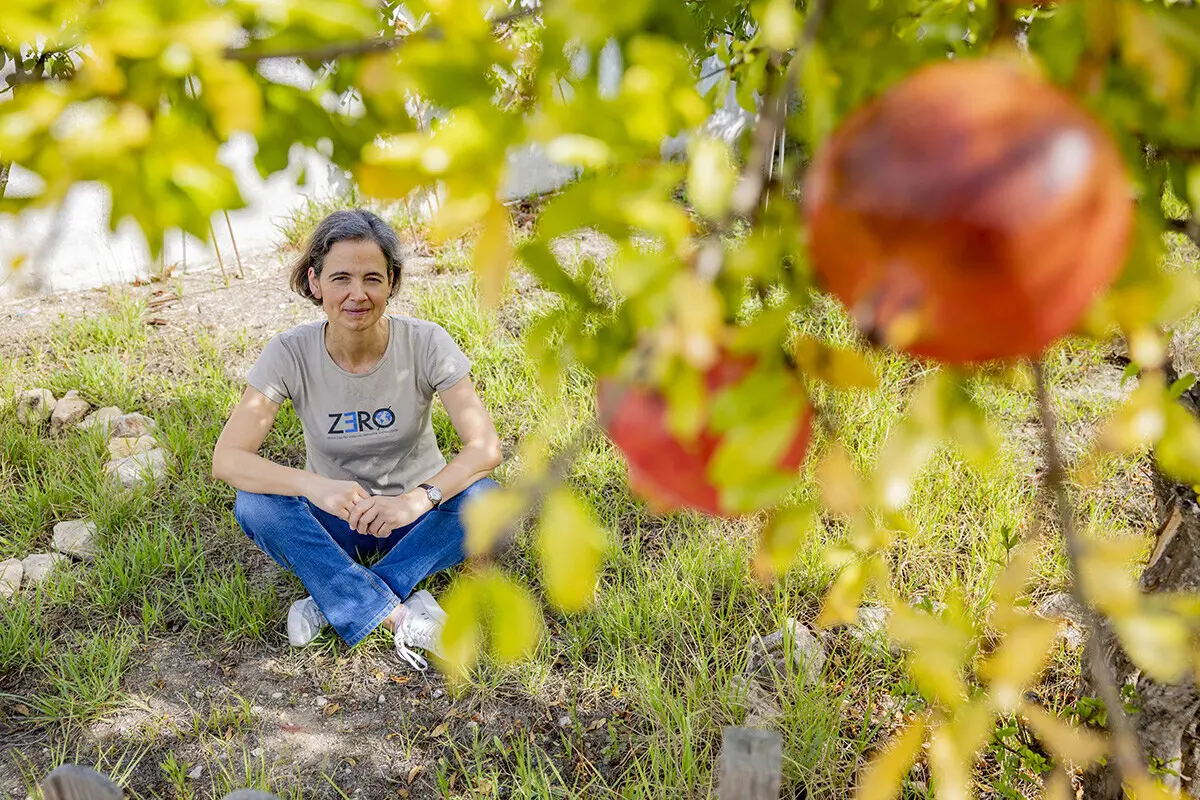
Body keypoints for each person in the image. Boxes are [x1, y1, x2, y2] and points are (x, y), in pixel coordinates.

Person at [211, 208, 503, 669]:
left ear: (392, 282)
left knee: (486, 500)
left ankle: (338, 597)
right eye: (341, 277)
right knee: (254, 503)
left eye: (372, 278)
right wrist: (316, 487)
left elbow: (486, 448)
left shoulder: (426, 343)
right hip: (335, 520)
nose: (357, 294)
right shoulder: (289, 352)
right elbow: (227, 459)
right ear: (315, 281)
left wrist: (417, 500)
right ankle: (396, 610)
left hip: (418, 519)